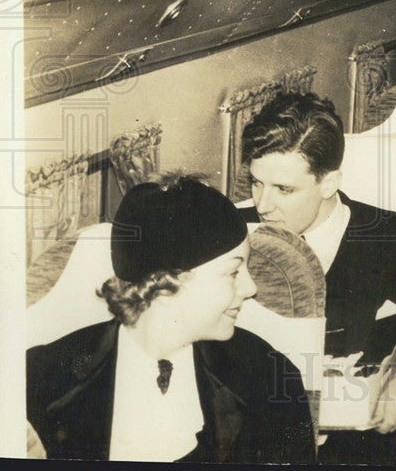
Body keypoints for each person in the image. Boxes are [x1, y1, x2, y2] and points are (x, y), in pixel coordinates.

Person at [240, 91, 396, 465]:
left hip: (357, 450)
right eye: (256, 183)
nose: (262, 205)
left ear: (329, 183)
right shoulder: (232, 243)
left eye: (284, 189)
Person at [26, 174, 317, 463]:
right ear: (163, 285)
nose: (251, 288)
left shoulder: (269, 378)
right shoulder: (41, 378)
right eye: (233, 272)